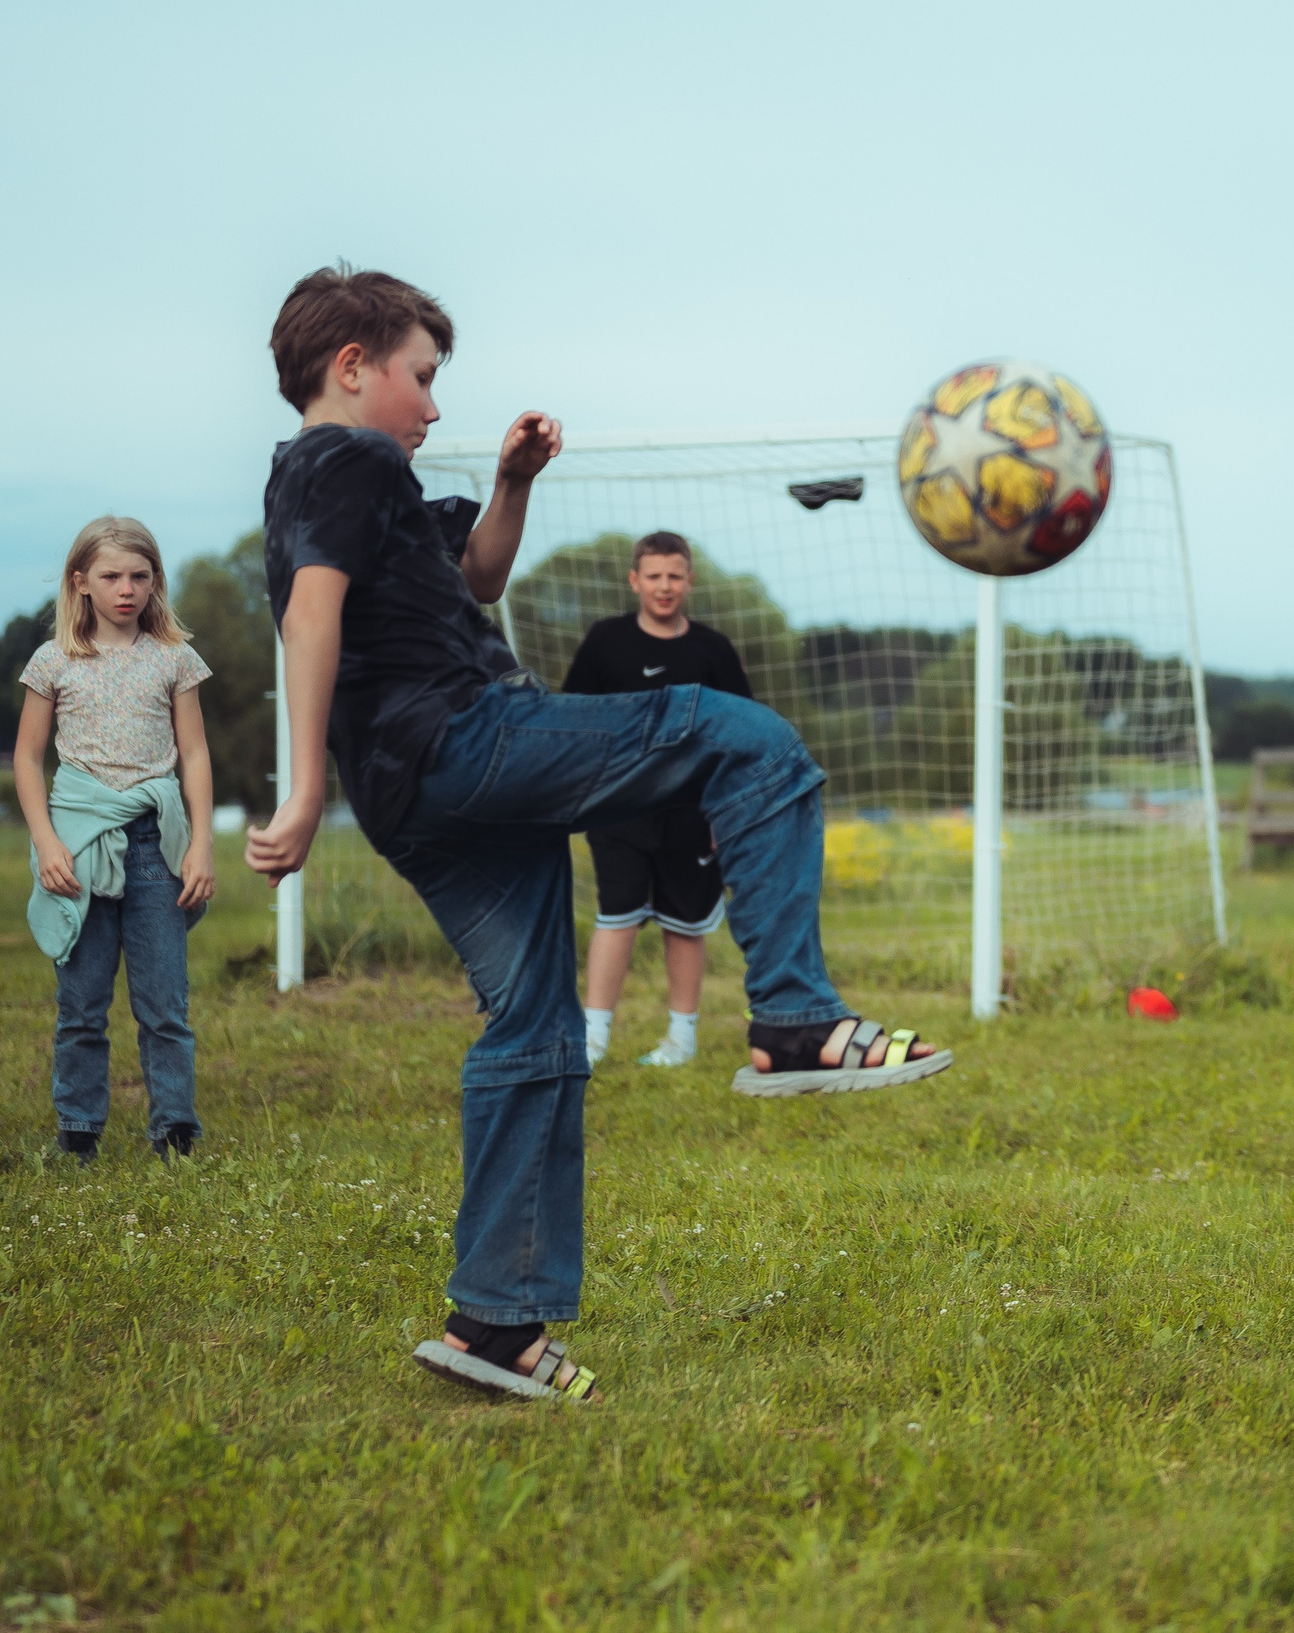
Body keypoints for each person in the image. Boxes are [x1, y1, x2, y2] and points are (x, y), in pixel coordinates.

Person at [244, 265, 948, 1405]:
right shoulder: (348, 458)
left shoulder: (343, 484)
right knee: (749, 741)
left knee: (532, 1028)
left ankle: (495, 1324)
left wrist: (513, 484)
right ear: (352, 367)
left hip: (417, 794)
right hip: (461, 736)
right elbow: (310, 612)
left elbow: (475, 578)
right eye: (423, 379)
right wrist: (301, 788)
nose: (432, 407)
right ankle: (795, 1018)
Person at [14, 517, 216, 1164]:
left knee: (164, 1003)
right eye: (110, 576)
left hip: (157, 840)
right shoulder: (53, 661)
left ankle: (175, 1130)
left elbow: (195, 753)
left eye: (138, 575)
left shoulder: (176, 658)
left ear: (155, 580)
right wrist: (46, 842)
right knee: (82, 1002)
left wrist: (201, 844)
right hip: (79, 840)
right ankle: (78, 1131)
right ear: (81, 582)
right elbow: (26, 756)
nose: (125, 589)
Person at [561, 532, 755, 1068]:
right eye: (654, 576)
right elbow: (574, 719)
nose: (664, 586)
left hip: (692, 814)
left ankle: (681, 1039)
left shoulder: (712, 651)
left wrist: (726, 810)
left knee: (684, 922)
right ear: (635, 581)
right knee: (617, 914)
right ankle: (592, 1038)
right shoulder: (606, 642)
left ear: (689, 581)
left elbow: (741, 734)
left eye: (674, 576)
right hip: (619, 807)